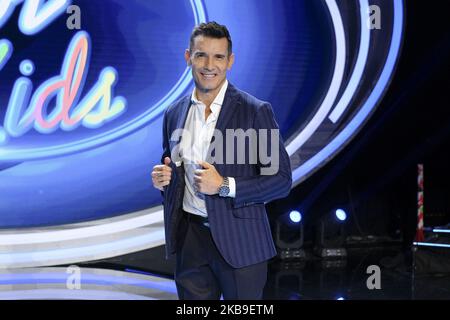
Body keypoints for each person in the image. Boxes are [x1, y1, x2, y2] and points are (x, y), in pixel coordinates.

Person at [151, 21, 292, 300]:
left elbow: (281, 181)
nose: (209, 65)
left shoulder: (254, 111)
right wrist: (163, 180)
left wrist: (225, 185)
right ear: (188, 57)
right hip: (189, 240)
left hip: (241, 242)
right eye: (201, 54)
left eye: (218, 57)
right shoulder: (174, 113)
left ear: (230, 61)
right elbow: (172, 168)